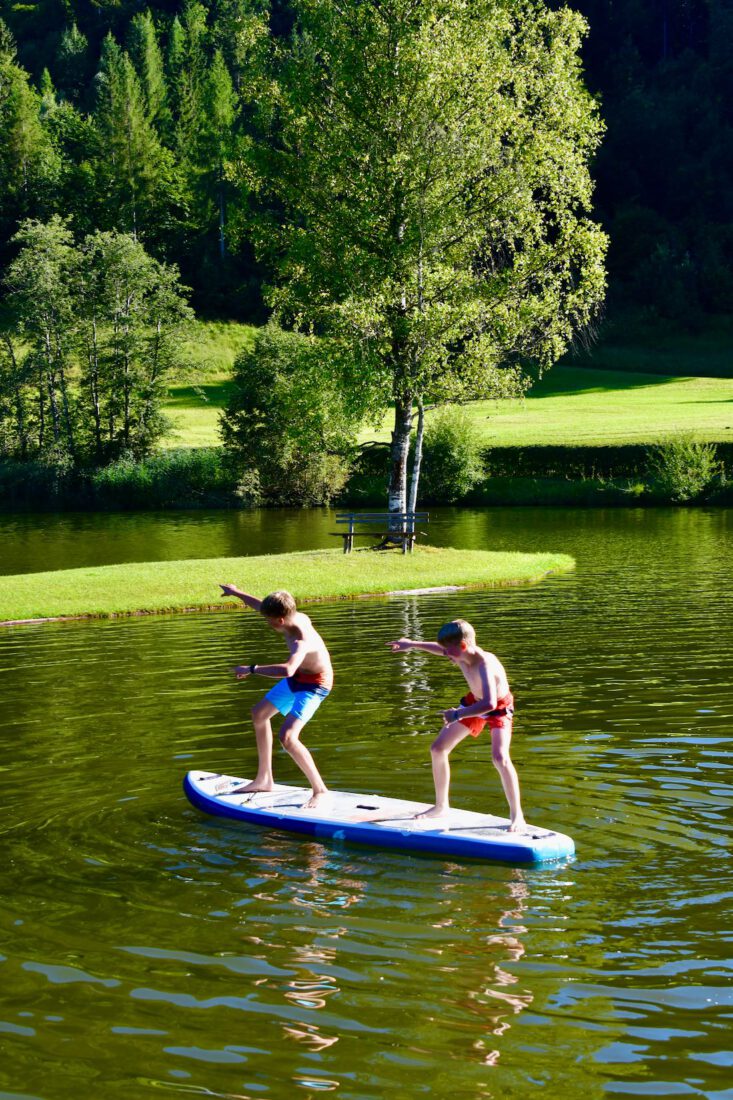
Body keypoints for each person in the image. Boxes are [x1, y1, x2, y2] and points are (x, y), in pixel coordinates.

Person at [387, 619, 525, 830]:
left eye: (449, 652)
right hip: (474, 703)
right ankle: (441, 806)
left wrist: (458, 714)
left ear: (462, 646)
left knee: (500, 758)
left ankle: (517, 817)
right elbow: (438, 649)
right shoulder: (460, 653)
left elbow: (490, 703)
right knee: (438, 749)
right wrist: (412, 644)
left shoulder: (484, 664)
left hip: (497, 708)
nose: (447, 656)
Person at [219, 585, 333, 809]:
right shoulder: (292, 615)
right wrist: (236, 592)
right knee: (259, 714)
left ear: (279, 620)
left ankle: (320, 790)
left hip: (314, 685)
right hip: (299, 677)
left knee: (288, 736)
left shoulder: (301, 640)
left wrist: (252, 668)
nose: (267, 623)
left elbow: (288, 669)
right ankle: (264, 779)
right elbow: (260, 605)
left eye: (268, 620)